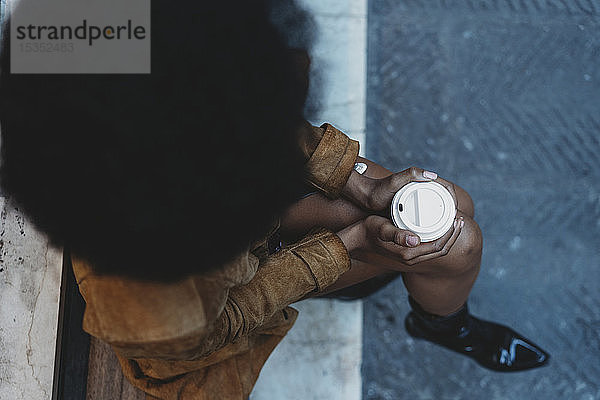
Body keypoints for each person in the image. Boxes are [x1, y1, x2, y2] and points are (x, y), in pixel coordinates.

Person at [0, 1, 548, 399]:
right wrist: (342, 244)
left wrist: (357, 182)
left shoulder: (78, 34)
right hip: (228, 293)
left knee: (450, 212)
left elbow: (245, 105)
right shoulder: (154, 310)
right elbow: (231, 316)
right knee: (456, 244)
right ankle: (440, 321)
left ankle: (426, 310)